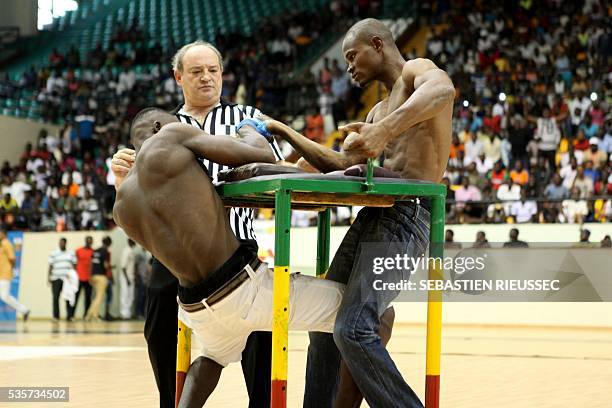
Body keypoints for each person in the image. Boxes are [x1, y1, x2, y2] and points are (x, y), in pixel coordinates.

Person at [263, 18, 454, 408]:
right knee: (323, 327)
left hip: (410, 215)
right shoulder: (375, 112)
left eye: (353, 56)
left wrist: (385, 130)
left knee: (352, 328)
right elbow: (339, 160)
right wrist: (286, 132)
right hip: (374, 215)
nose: (348, 66)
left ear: (379, 44)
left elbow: (445, 90)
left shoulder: (417, 71)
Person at [113, 108, 345, 407]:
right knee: (370, 315)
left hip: (195, 307)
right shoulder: (169, 136)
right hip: (242, 288)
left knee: (212, 358)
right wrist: (249, 129)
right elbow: (259, 153)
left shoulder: (121, 206)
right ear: (159, 127)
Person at [111, 41, 283, 408]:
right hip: (177, 253)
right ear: (178, 77)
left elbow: (276, 163)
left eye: (213, 70)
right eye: (196, 71)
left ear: (222, 74)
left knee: (260, 328)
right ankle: (168, 401)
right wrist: (120, 177)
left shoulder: (247, 115)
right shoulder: (159, 128)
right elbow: (134, 200)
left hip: (237, 242)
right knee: (158, 320)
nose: (207, 78)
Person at [0, 229, 29, 320]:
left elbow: (12, 258)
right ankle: (24, 310)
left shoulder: (6, 243)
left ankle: (24, 310)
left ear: (3, 233)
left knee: (4, 296)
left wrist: (10, 269)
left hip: (5, 274)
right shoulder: (1, 244)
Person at [48, 237, 76, 321]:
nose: (61, 244)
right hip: (56, 278)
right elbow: (50, 266)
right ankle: (56, 316)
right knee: (55, 297)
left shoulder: (71, 253)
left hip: (67, 280)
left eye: (63, 243)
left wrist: (73, 277)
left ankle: (69, 316)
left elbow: (74, 265)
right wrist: (49, 277)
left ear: (65, 243)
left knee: (68, 297)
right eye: (60, 242)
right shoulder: (53, 253)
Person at [85, 236, 112, 321]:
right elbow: (105, 265)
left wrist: (90, 276)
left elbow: (91, 264)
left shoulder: (95, 251)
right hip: (101, 276)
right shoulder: (105, 252)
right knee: (99, 297)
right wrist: (111, 267)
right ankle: (95, 315)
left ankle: (88, 315)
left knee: (96, 297)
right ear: (109, 244)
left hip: (93, 275)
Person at [74, 236, 94, 318]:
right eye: (88, 241)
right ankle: (71, 315)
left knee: (88, 298)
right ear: (85, 241)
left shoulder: (93, 252)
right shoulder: (78, 250)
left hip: (88, 278)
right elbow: (74, 263)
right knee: (75, 297)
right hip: (79, 277)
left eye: (91, 241)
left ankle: (86, 315)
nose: (89, 242)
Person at [120, 239, 136, 319]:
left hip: (131, 277)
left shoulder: (131, 251)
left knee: (130, 296)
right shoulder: (126, 251)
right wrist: (127, 279)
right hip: (126, 277)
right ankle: (124, 314)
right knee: (125, 295)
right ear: (130, 242)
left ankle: (127, 314)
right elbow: (123, 267)